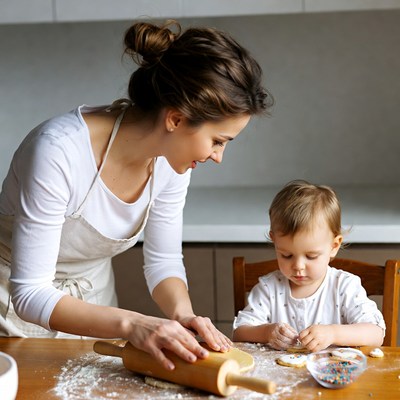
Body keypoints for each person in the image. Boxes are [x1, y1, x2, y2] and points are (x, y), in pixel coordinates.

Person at [0, 20, 273, 370]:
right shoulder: (58, 151)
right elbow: (30, 293)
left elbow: (163, 261)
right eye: (218, 141)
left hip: (94, 303)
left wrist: (184, 315)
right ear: (175, 119)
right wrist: (133, 324)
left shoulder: (172, 161)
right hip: (12, 307)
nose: (218, 157)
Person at [232, 180, 385, 352]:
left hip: (334, 375)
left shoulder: (344, 287)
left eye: (311, 256)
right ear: (274, 241)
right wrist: (267, 332)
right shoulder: (269, 289)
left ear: (334, 246)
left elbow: (376, 333)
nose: (298, 266)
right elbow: (239, 333)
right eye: (286, 255)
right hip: (279, 378)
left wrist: (333, 333)